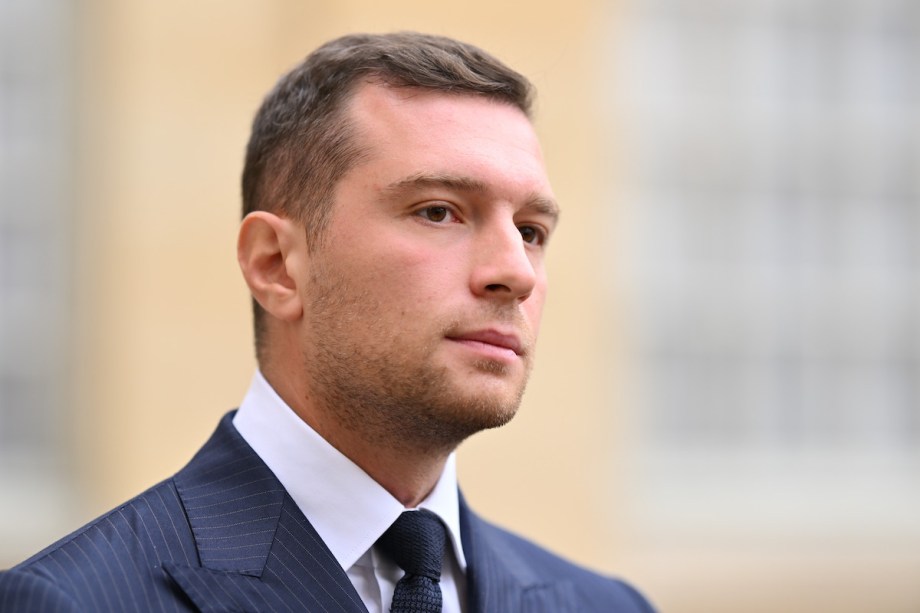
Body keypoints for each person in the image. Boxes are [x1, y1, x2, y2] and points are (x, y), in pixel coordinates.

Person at [0, 32, 654, 612]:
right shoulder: (69, 601)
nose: (516, 272)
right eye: (438, 211)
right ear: (277, 265)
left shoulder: (607, 606)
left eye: (531, 231)